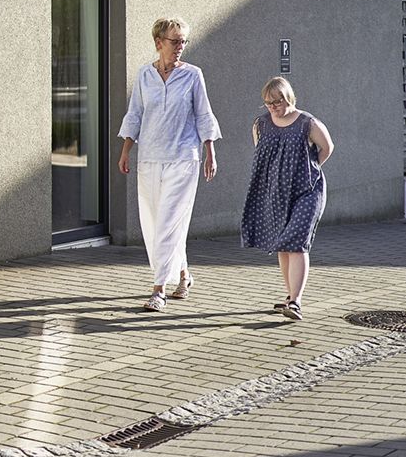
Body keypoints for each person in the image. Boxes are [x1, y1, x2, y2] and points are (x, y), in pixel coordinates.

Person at [118, 17, 221, 312]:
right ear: (158, 42)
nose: (180, 47)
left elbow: (204, 115)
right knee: (154, 224)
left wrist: (210, 152)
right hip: (149, 158)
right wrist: (125, 151)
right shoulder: (144, 76)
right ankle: (184, 275)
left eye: (183, 41)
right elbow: (135, 115)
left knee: (168, 221)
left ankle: (158, 289)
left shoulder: (193, 75)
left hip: (183, 159)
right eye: (175, 41)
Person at [241, 76, 333, 321]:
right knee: (283, 244)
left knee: (297, 241)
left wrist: (309, 169)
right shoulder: (260, 124)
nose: (272, 107)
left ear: (288, 98)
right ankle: (289, 295)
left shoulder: (307, 122)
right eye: (268, 103)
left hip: (307, 190)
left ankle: (296, 301)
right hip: (276, 191)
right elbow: (262, 155)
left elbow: (327, 147)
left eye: (277, 102)